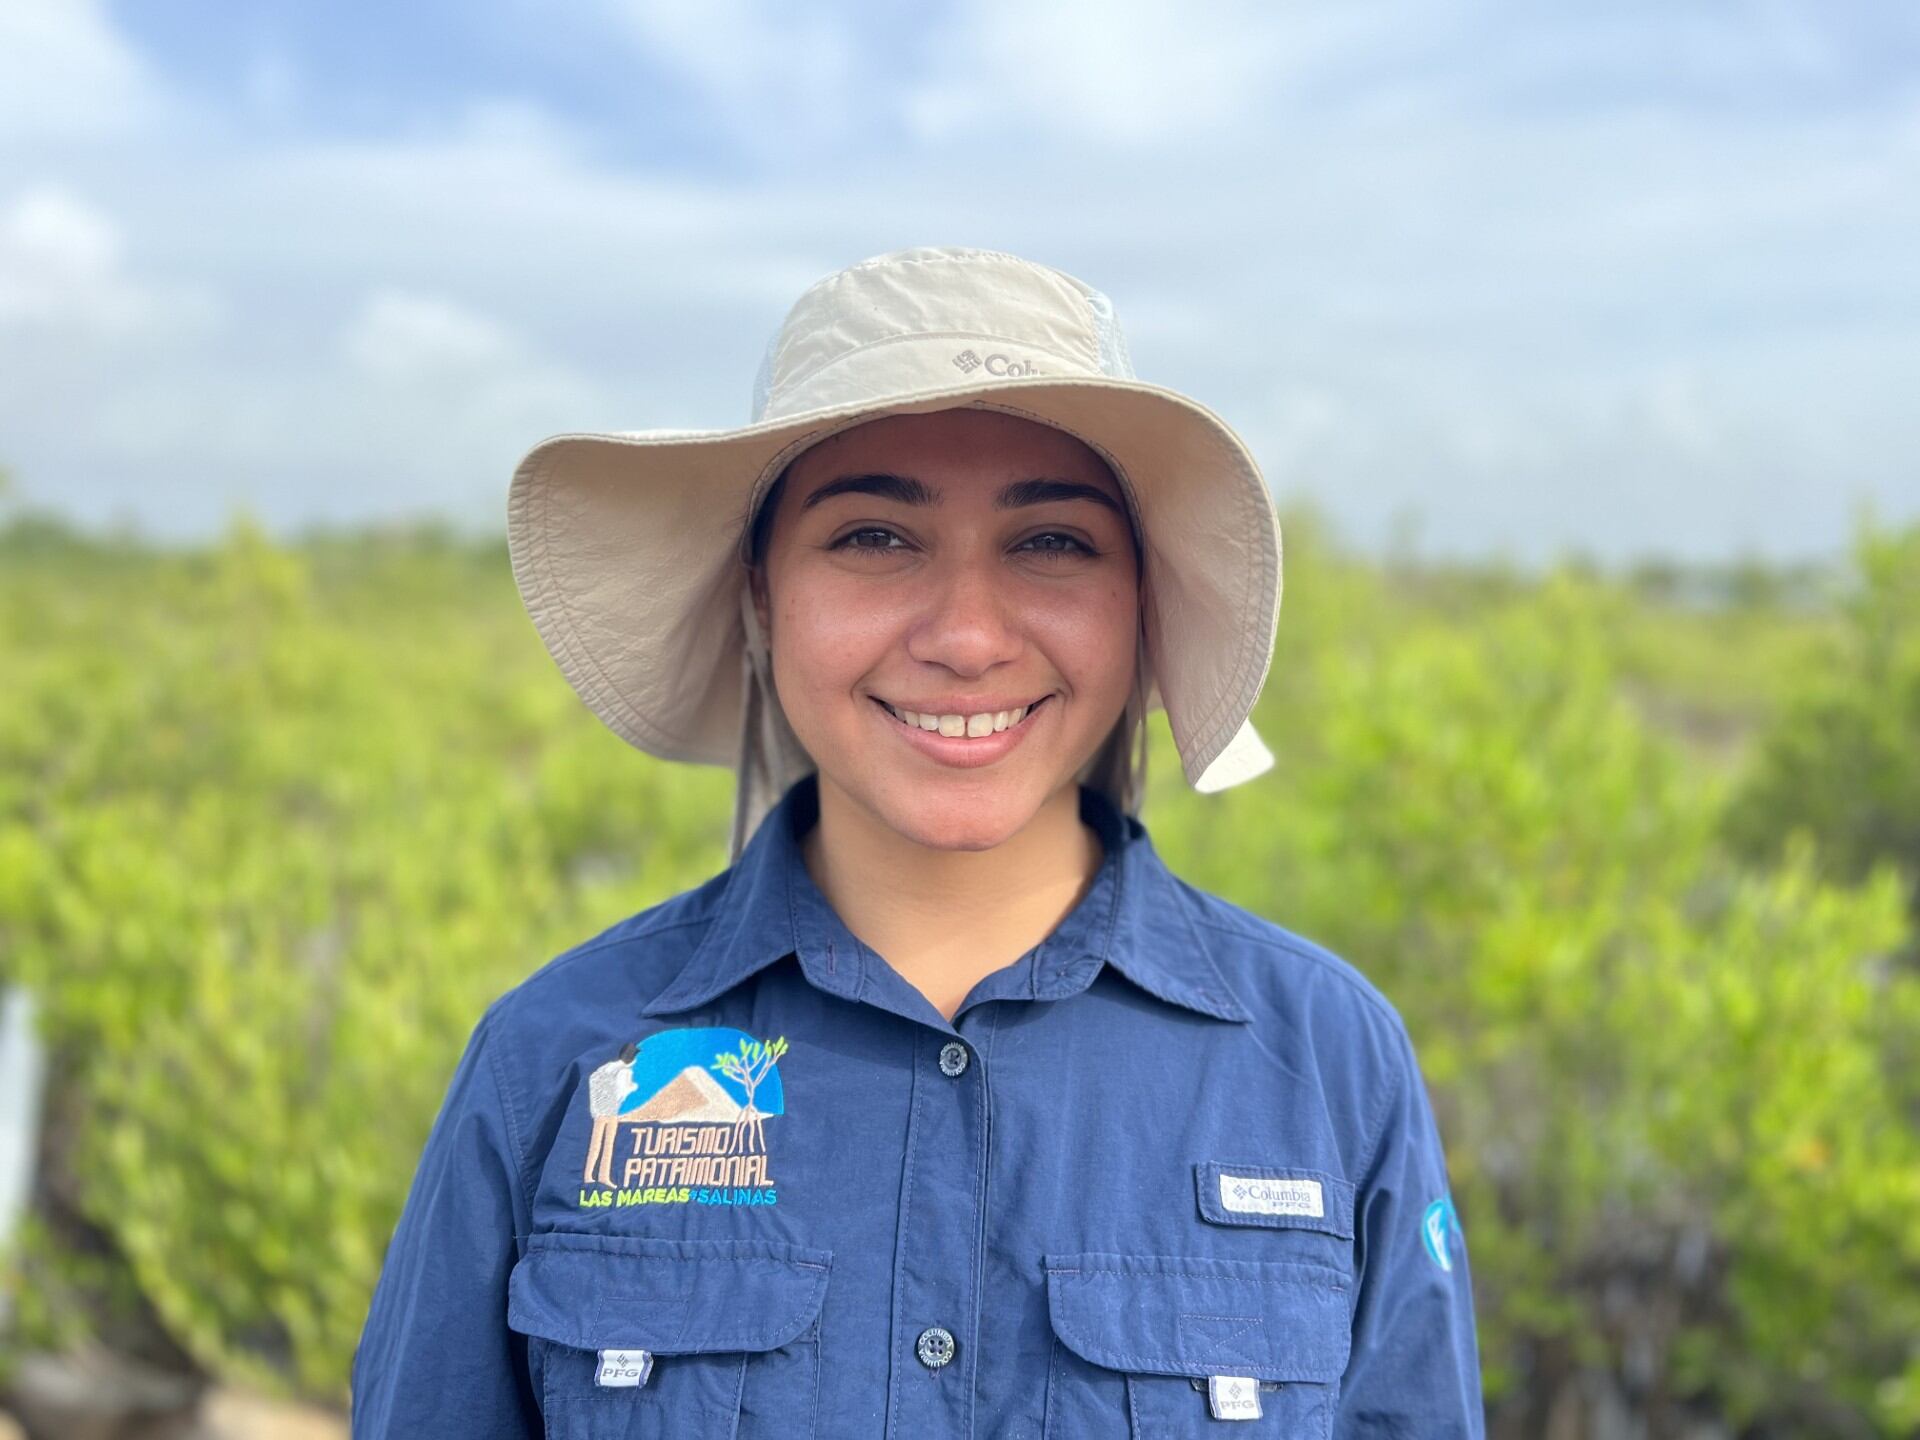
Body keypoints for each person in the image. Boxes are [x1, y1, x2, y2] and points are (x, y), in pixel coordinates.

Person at [349, 245, 1485, 1437]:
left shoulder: (1327, 1060)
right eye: (874, 538)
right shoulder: (553, 1058)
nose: (966, 636)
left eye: (1052, 542)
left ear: (1142, 604)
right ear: (759, 596)